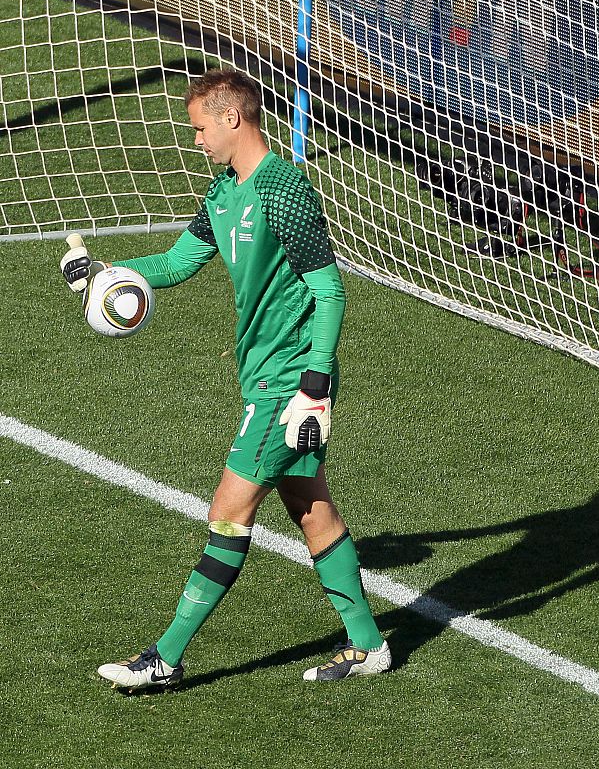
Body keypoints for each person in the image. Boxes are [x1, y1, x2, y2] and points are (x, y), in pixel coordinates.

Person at [60, 68, 390, 689]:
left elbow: (329, 289)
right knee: (309, 507)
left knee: (228, 513)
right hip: (264, 374)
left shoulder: (283, 188)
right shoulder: (222, 193)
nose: (196, 140)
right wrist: (107, 272)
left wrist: (315, 383)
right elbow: (178, 261)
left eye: (199, 127)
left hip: (289, 381)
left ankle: (166, 655)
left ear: (231, 118)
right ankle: (368, 645)